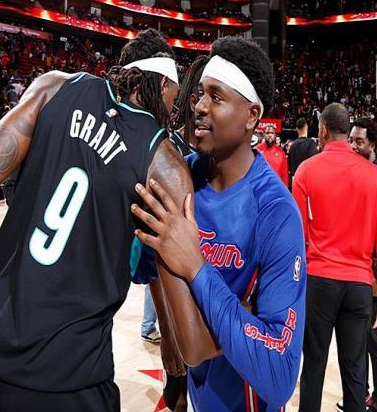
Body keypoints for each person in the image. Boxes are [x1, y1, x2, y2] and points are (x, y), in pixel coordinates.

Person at [0, 29, 188, 412]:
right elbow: (167, 272)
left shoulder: (54, 88)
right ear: (163, 83)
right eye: (174, 93)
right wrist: (176, 354)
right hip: (70, 377)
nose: (174, 106)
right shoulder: (163, 159)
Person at [131, 36, 307, 411]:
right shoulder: (179, 179)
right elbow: (148, 270)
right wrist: (175, 344)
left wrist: (196, 266)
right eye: (199, 94)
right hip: (197, 393)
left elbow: (279, 376)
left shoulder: (276, 212)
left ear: (252, 116)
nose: (199, 106)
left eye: (216, 97)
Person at [293, 103, 377, 412]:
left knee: (313, 367)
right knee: (355, 374)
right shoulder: (375, 176)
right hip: (359, 286)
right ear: (347, 133)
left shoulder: (306, 170)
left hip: (318, 283)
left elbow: (296, 238)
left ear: (322, 130)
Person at [340, 117, 377, 412]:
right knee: (359, 342)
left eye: (359, 141)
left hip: (375, 272)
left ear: (373, 143)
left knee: (375, 341)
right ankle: (361, 396)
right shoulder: (354, 173)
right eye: (351, 140)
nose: (353, 146)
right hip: (356, 268)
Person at [288, 117, 318, 181]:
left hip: (295, 180)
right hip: (307, 179)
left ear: (296, 129)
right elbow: (315, 164)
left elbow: (290, 166)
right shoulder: (311, 143)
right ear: (306, 126)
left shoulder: (292, 146)